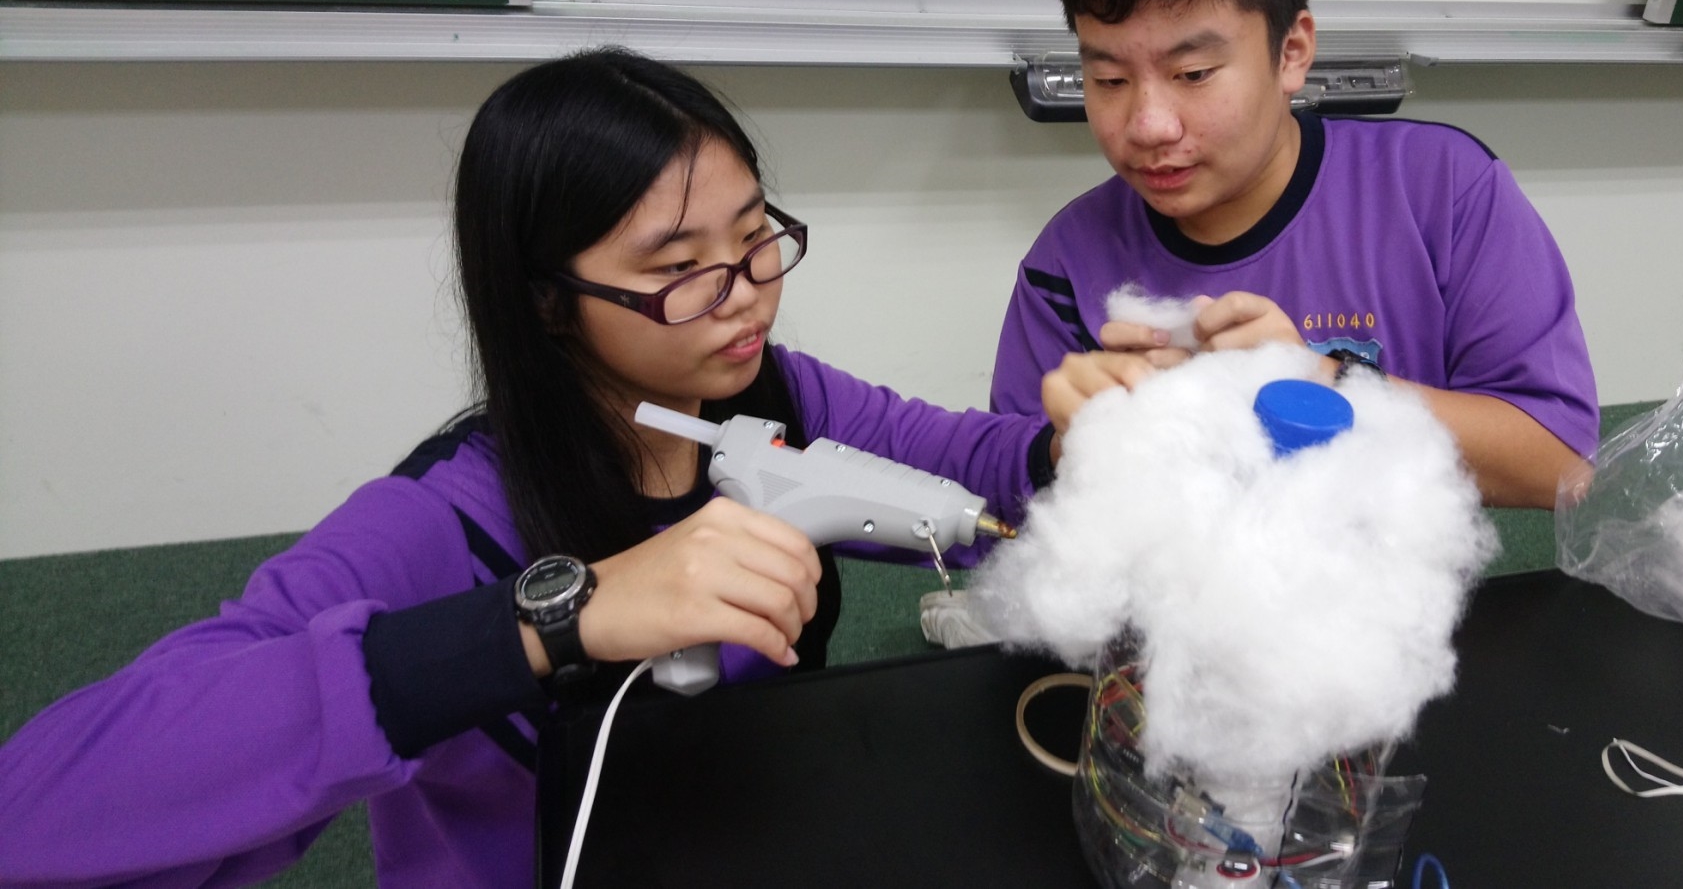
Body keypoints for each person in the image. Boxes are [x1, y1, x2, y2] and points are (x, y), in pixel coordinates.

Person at [0, 49, 1125, 888]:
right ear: (547, 300)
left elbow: (975, 468)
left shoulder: (775, 398)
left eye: (753, 237)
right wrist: (554, 620)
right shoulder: (442, 518)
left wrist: (1071, 441)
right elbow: (40, 806)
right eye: (678, 269)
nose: (745, 295)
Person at [992, 0, 1599, 508]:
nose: (1149, 125)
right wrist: (1086, 443)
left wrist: (1316, 382)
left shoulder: (1440, 191)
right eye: (1109, 79)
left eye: (1193, 74)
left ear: (1292, 52)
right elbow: (1010, 506)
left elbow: (1560, 464)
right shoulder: (1068, 264)